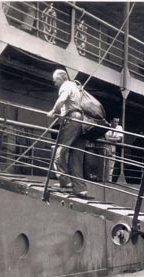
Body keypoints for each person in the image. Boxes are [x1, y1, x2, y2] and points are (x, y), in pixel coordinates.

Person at [47, 69, 88, 198]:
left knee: (58, 151)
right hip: (82, 121)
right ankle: (80, 188)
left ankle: (65, 183)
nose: (55, 84)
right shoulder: (76, 87)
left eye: (55, 81)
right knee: (76, 156)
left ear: (60, 78)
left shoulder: (66, 86)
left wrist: (53, 111)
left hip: (72, 119)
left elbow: (62, 99)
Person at [105, 117, 123, 182]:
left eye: (117, 122)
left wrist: (110, 138)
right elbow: (106, 137)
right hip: (106, 146)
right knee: (105, 162)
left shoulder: (119, 127)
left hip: (113, 148)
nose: (116, 123)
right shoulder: (107, 126)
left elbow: (119, 139)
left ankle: (109, 180)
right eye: (115, 121)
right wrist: (114, 139)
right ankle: (104, 179)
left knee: (112, 164)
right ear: (111, 121)